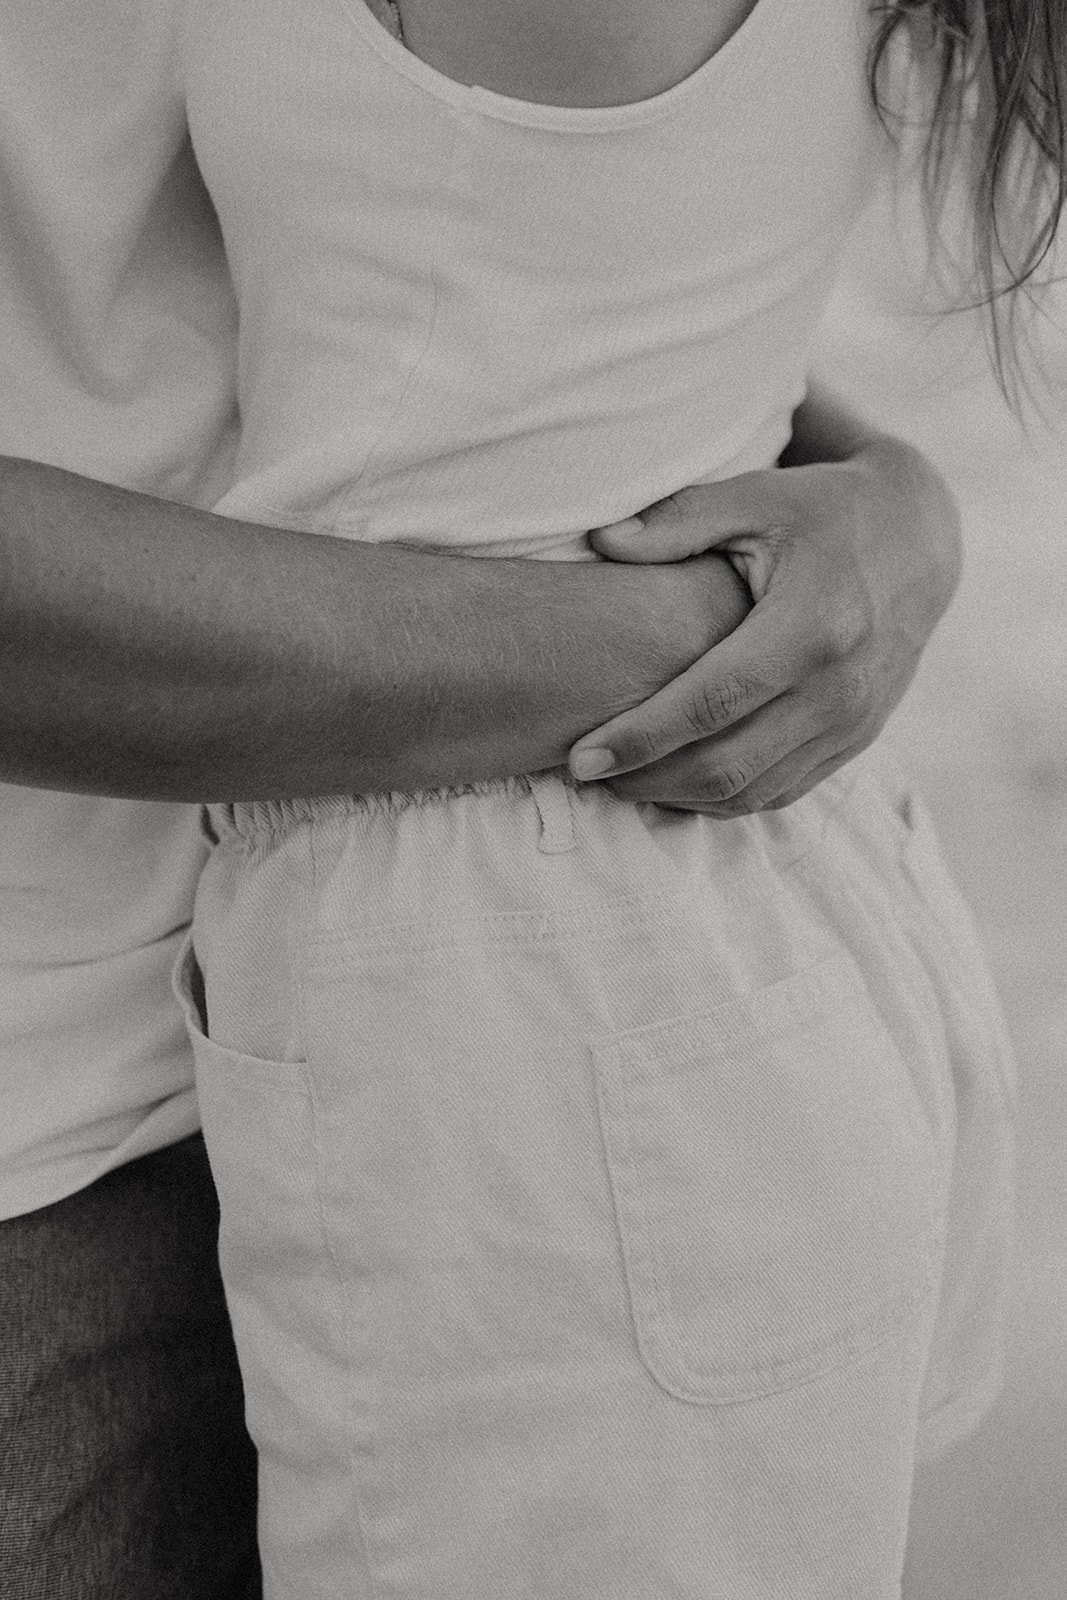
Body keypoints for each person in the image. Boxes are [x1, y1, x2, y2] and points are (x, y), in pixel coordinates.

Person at [0, 5, 972, 1599]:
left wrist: (871, 501)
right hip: (102, 1141)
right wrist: (710, 620)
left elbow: (497, 244)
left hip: (500, 1072)